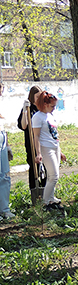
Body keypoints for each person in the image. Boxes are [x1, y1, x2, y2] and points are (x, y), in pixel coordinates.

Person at [32, 91, 67, 211]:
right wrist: (38, 153)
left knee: (52, 176)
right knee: (54, 175)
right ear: (45, 104)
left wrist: (60, 151)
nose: (54, 108)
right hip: (46, 148)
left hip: (55, 147)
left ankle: (51, 199)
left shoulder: (50, 116)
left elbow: (55, 135)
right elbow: (36, 136)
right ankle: (45, 203)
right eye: (52, 106)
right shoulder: (37, 117)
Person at [17, 85, 47, 191]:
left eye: (40, 96)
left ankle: (46, 191)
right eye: (37, 96)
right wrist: (25, 110)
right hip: (31, 142)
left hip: (43, 141)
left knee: (45, 167)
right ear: (32, 96)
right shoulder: (29, 108)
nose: (39, 98)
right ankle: (34, 190)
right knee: (34, 167)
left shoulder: (43, 108)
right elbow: (23, 126)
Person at [0, 82, 15, 220]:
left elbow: (3, 127)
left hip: (2, 138)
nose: (1, 93)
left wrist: (8, 146)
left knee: (5, 176)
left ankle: (5, 209)